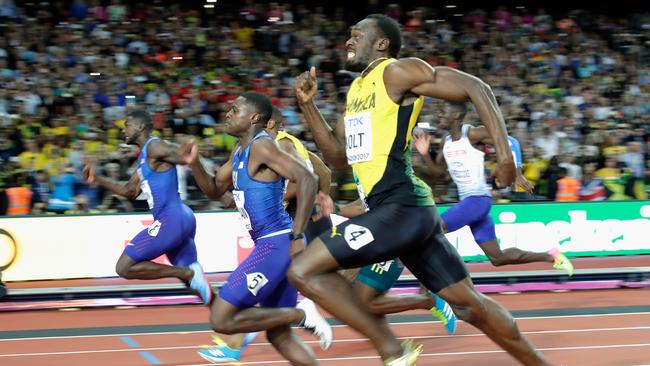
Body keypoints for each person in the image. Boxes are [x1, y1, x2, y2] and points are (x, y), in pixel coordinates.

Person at [289, 14, 550, 365]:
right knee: (469, 306)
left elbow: (477, 88)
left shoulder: (395, 71)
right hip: (403, 212)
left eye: (356, 35)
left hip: (399, 207)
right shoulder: (356, 92)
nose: (348, 41)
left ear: (381, 43)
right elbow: (338, 159)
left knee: (303, 270)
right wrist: (308, 106)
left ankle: (393, 350)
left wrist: (505, 157)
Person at [179, 92, 332, 365]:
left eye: (234, 110)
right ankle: (298, 315)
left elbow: (308, 178)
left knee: (222, 317)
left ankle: (301, 313)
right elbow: (215, 188)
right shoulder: (240, 151)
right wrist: (194, 164)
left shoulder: (263, 147)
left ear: (254, 117)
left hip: (276, 245)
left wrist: (297, 234)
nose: (227, 113)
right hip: (271, 244)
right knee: (279, 336)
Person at [412, 101, 574, 273]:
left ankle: (432, 288)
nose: (439, 115)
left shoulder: (472, 134)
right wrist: (425, 153)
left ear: (456, 115)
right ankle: (552, 256)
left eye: (443, 111)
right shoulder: (446, 141)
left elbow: (510, 141)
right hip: (470, 204)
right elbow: (439, 175)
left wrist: (517, 172)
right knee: (498, 258)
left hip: (477, 200)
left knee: (435, 229)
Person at [83, 110, 212, 305]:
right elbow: (129, 191)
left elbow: (178, 154)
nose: (123, 130)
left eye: (127, 125)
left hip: (171, 219)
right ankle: (234, 322)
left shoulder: (154, 146)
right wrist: (96, 178)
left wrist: (185, 153)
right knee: (196, 285)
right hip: (181, 217)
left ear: (140, 126)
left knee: (124, 267)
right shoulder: (144, 159)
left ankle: (185, 271)